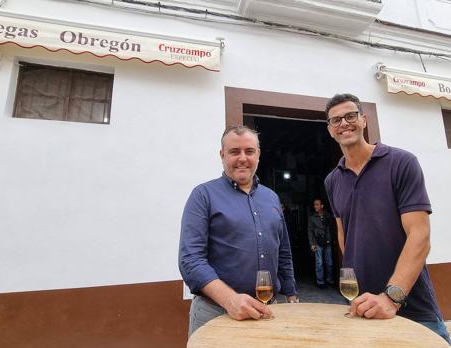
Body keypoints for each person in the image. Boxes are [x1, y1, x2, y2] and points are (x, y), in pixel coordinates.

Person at [324, 93, 450, 344]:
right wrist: (351, 284)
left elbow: (420, 236)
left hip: (411, 303)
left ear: (364, 120)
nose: (344, 124)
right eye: (335, 120)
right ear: (330, 130)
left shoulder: (401, 163)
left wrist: (391, 297)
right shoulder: (332, 180)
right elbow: (343, 234)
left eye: (350, 116)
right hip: (361, 304)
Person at [179, 125, 297, 336]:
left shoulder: (271, 198)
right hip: (216, 311)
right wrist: (230, 300)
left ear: (258, 155)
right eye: (234, 151)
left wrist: (290, 294)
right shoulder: (203, 195)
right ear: (222, 155)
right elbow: (190, 260)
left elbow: (283, 252)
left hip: (268, 310)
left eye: (249, 151)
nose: (242, 158)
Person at [307, 198, 334, 288]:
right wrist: (312, 244)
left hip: (328, 241)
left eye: (317, 204)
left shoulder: (328, 215)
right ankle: (320, 282)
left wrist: (333, 240)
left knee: (329, 262)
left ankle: (330, 280)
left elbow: (333, 227)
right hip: (317, 242)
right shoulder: (312, 218)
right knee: (319, 263)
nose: (315, 206)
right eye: (315, 205)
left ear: (322, 205)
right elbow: (310, 231)